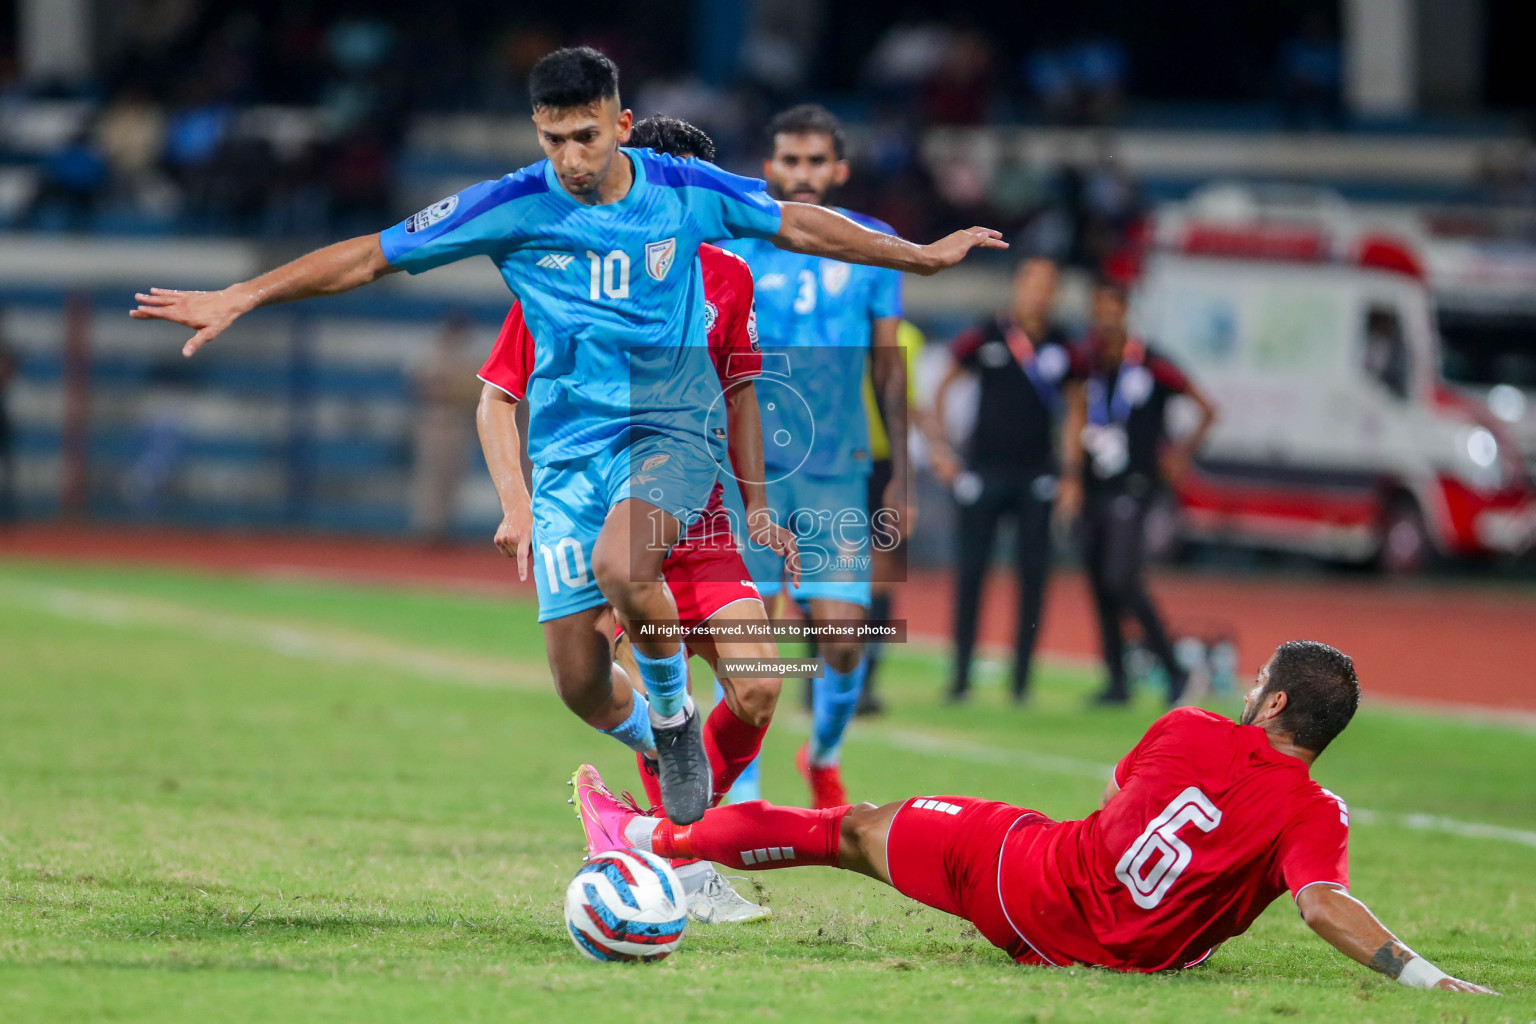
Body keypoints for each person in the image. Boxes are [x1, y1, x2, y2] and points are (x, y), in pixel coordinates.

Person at [130, 47, 1007, 826]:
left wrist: (919, 255)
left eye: (585, 137)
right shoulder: (511, 204)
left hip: (670, 438)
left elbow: (801, 221)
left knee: (628, 570)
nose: (569, 159)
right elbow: (368, 256)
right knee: (580, 684)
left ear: (623, 124)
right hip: (568, 465)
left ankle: (675, 729)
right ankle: (660, 738)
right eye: (552, 139)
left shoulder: (686, 194)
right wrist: (242, 293)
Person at [571, 640, 1493, 993]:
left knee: (845, 831)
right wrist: (1433, 981)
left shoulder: (1190, 727)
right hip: (1129, 954)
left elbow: (1113, 802)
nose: (1248, 691)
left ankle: (650, 837)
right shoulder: (1317, 814)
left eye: (1261, 684)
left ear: (1279, 706)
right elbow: (1322, 904)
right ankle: (654, 838)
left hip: (1025, 881)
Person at [478, 115, 783, 923]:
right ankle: (675, 851)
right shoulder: (564, 272)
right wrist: (519, 504)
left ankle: (659, 835)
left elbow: (743, 389)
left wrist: (757, 503)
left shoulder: (727, 279)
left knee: (757, 687)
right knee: (587, 685)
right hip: (602, 510)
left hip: (699, 512)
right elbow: (496, 398)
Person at [722, 104, 911, 809]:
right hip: (749, 471)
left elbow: (890, 367)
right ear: (769, 168)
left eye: (815, 162)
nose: (802, 173)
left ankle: (822, 752)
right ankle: (741, 798)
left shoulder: (873, 244)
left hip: (839, 469)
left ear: (840, 170)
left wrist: (900, 473)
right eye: (789, 161)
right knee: (748, 641)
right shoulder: (738, 239)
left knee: (841, 639)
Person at [1058, 279, 1215, 706]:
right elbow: (1074, 412)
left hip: (1135, 483)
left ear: (1125, 313)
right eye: (1098, 311)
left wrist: (1180, 453)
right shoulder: (1085, 362)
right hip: (1093, 484)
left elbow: (1206, 407)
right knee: (1097, 581)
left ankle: (1174, 669)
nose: (1104, 319)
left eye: (1112, 310)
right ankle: (1117, 680)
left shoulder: (1153, 364)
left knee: (1121, 577)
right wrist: (1070, 477)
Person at [929, 257, 1072, 704]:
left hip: (1037, 474)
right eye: (1032, 283)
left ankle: (1022, 681)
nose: (1039, 293)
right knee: (971, 575)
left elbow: (1077, 409)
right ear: (1018, 287)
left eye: (1048, 285)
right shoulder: (987, 333)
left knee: (1033, 577)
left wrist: (1071, 475)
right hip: (984, 470)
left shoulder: (1064, 343)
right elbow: (942, 384)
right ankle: (960, 676)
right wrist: (941, 450)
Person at [410, 315, 481, 543]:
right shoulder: (430, 354)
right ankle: (427, 528)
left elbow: (476, 391)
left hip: (459, 421)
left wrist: (457, 390)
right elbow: (422, 387)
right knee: (431, 477)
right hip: (434, 419)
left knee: (452, 478)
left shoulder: (469, 357)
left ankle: (445, 527)